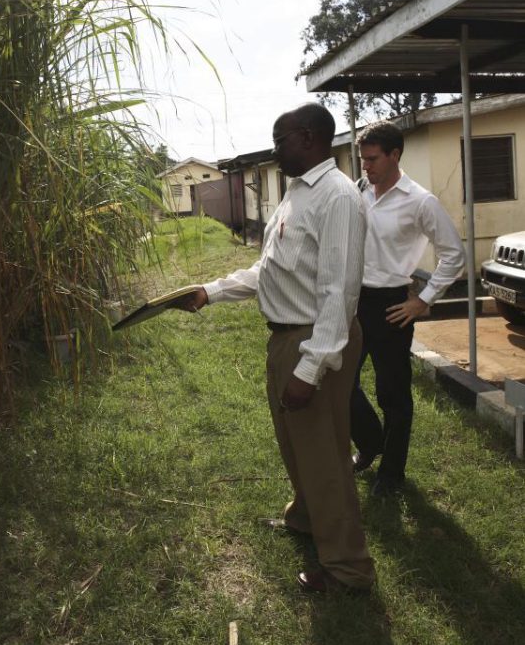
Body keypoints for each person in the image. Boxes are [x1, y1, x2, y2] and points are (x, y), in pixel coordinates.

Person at [176, 104, 375, 594]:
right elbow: (269, 271)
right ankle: (309, 519)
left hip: (314, 338)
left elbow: (340, 292)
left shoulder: (337, 197)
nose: (274, 148)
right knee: (297, 445)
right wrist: (211, 291)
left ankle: (348, 568)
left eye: (280, 139)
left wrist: (310, 368)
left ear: (307, 138)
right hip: (286, 336)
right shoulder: (295, 196)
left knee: (324, 455)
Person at [351, 120, 465, 497]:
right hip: (353, 301)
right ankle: (370, 443)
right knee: (341, 381)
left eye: (371, 159)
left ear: (395, 155)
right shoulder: (358, 192)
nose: (364, 166)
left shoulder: (420, 200)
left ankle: (392, 474)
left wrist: (423, 300)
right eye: (362, 159)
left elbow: (454, 255)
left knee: (393, 393)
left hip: (391, 305)